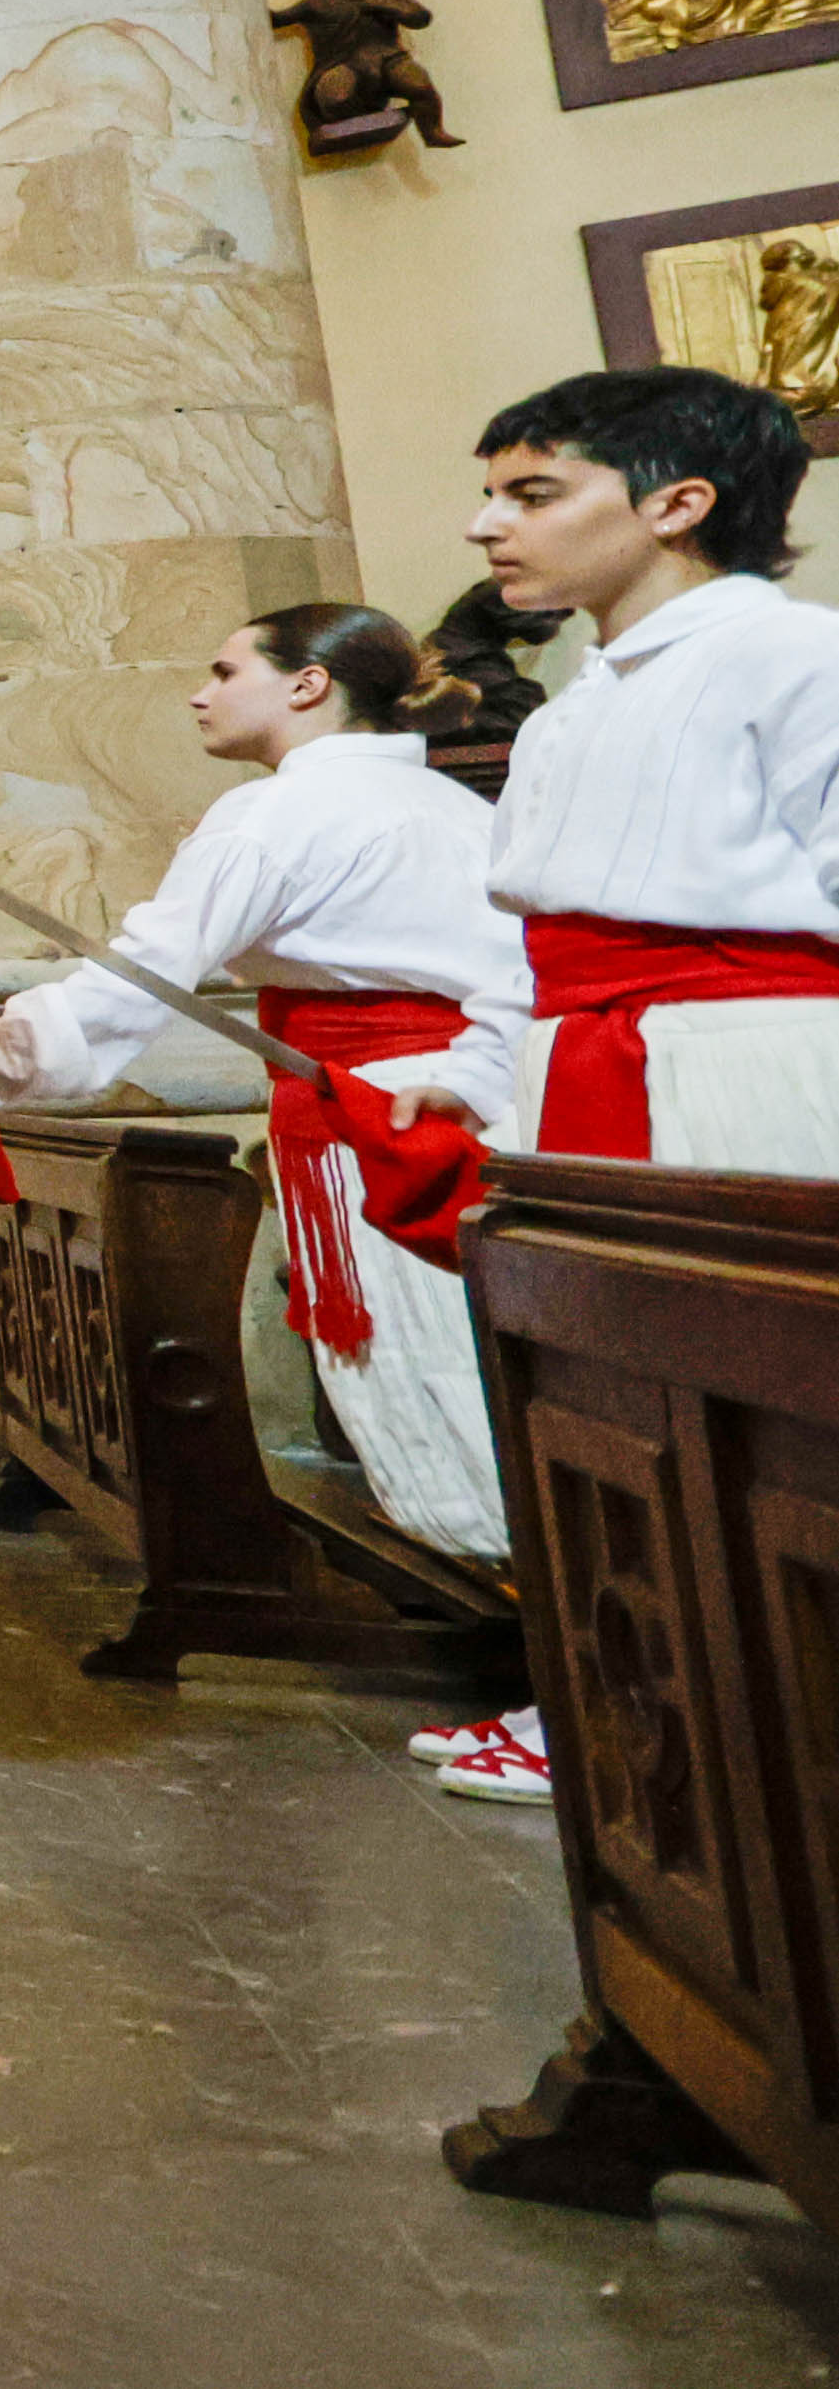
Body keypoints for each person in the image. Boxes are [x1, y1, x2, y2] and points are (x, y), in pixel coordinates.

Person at [0, 604, 526, 1777]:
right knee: (501, 1383)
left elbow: (134, 979)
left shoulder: (281, 809)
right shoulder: (444, 798)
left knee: (448, 1390)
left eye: (224, 667)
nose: (199, 691)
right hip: (477, 1103)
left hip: (383, 1122)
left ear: (310, 686)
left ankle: (585, 1708)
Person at [444, 369, 839, 1806]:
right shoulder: (566, 704)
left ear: (680, 502)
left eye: (533, 492)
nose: (489, 525)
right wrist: (477, 1077)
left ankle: (783, 1718)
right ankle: (635, 1697)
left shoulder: (798, 658)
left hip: (745, 1073)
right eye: (493, 491)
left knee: (770, 1418)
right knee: (604, 1410)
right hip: (589, 1070)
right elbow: (530, 944)